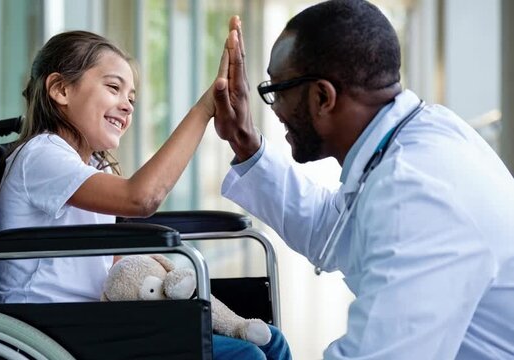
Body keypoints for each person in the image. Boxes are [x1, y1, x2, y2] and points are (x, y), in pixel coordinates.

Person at [212, 1, 514, 359]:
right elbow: (333, 227)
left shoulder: (417, 192)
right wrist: (246, 144)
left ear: (323, 97)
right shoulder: (413, 139)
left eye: (279, 91)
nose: (275, 109)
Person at [0, 30, 291, 360]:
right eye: (113, 87)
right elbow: (141, 198)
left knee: (270, 341)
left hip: (93, 321)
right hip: (49, 330)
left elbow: (113, 253)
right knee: (244, 356)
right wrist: (205, 109)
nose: (127, 105)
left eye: (131, 98)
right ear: (61, 89)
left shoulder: (90, 167)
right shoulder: (41, 155)